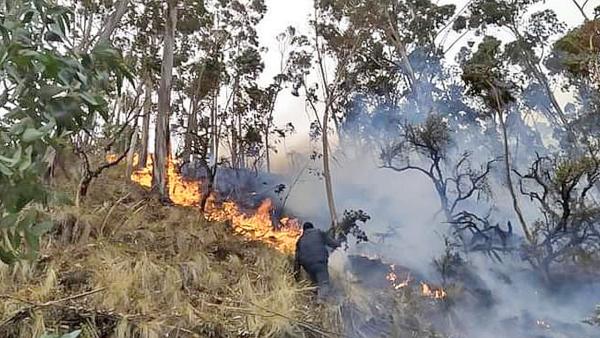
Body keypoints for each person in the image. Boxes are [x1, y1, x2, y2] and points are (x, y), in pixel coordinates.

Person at [294, 222, 341, 298]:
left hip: (307, 265)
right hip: (320, 262)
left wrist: (297, 278)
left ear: (304, 230)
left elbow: (296, 261)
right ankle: (321, 301)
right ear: (312, 227)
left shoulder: (300, 240)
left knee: (315, 283)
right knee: (324, 284)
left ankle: (316, 300)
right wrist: (339, 242)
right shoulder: (318, 232)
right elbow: (332, 243)